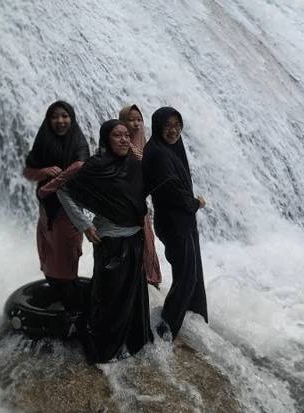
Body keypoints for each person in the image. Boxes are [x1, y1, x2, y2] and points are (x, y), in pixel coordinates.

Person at [57, 119, 153, 363]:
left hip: (134, 238)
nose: (124, 139)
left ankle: (130, 342)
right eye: (117, 135)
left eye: (126, 135)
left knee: (132, 294)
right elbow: (64, 191)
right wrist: (84, 225)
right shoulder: (95, 167)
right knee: (110, 297)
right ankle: (103, 347)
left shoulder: (134, 165)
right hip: (111, 241)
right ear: (106, 139)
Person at [142, 107, 208, 340]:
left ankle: (190, 316)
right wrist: (195, 203)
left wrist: (191, 206)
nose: (173, 130)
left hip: (182, 221)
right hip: (174, 223)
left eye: (177, 125)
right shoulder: (158, 153)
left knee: (190, 273)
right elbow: (170, 190)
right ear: (158, 126)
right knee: (187, 276)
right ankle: (166, 328)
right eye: (168, 125)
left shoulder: (169, 148)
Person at [23, 101, 90, 312]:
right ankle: (62, 303)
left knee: (67, 261)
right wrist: (43, 172)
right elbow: (28, 172)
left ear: (72, 118)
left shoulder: (78, 141)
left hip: (68, 210)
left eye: (64, 116)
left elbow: (81, 168)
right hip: (47, 211)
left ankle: (74, 312)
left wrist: (49, 186)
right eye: (55, 117)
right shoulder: (43, 139)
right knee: (49, 257)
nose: (60, 121)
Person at [118, 104, 162, 288]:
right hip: (122, 202)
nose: (136, 124)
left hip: (139, 201)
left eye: (139, 120)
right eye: (131, 120)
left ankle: (149, 277)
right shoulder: (118, 144)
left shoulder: (146, 144)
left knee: (146, 238)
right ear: (122, 122)